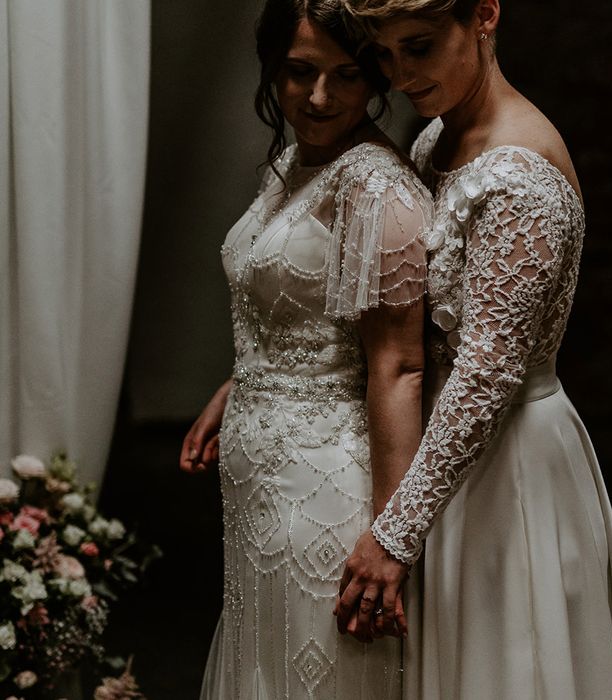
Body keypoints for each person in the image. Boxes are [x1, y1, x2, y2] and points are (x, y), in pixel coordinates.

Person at [335, 0, 612, 697]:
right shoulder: (435, 141)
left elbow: (487, 371)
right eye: (386, 56)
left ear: (483, 15)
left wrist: (396, 532)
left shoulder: (521, 172)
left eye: (417, 47)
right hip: (448, 454)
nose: (401, 75)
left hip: (510, 457)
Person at [179, 1, 432, 697]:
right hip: (258, 482)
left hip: (326, 484)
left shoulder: (377, 187)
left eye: (346, 77)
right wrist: (242, 382)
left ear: (376, 78)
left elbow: (398, 366)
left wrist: (390, 537)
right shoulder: (292, 163)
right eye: (298, 73)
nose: (319, 98)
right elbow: (299, 305)